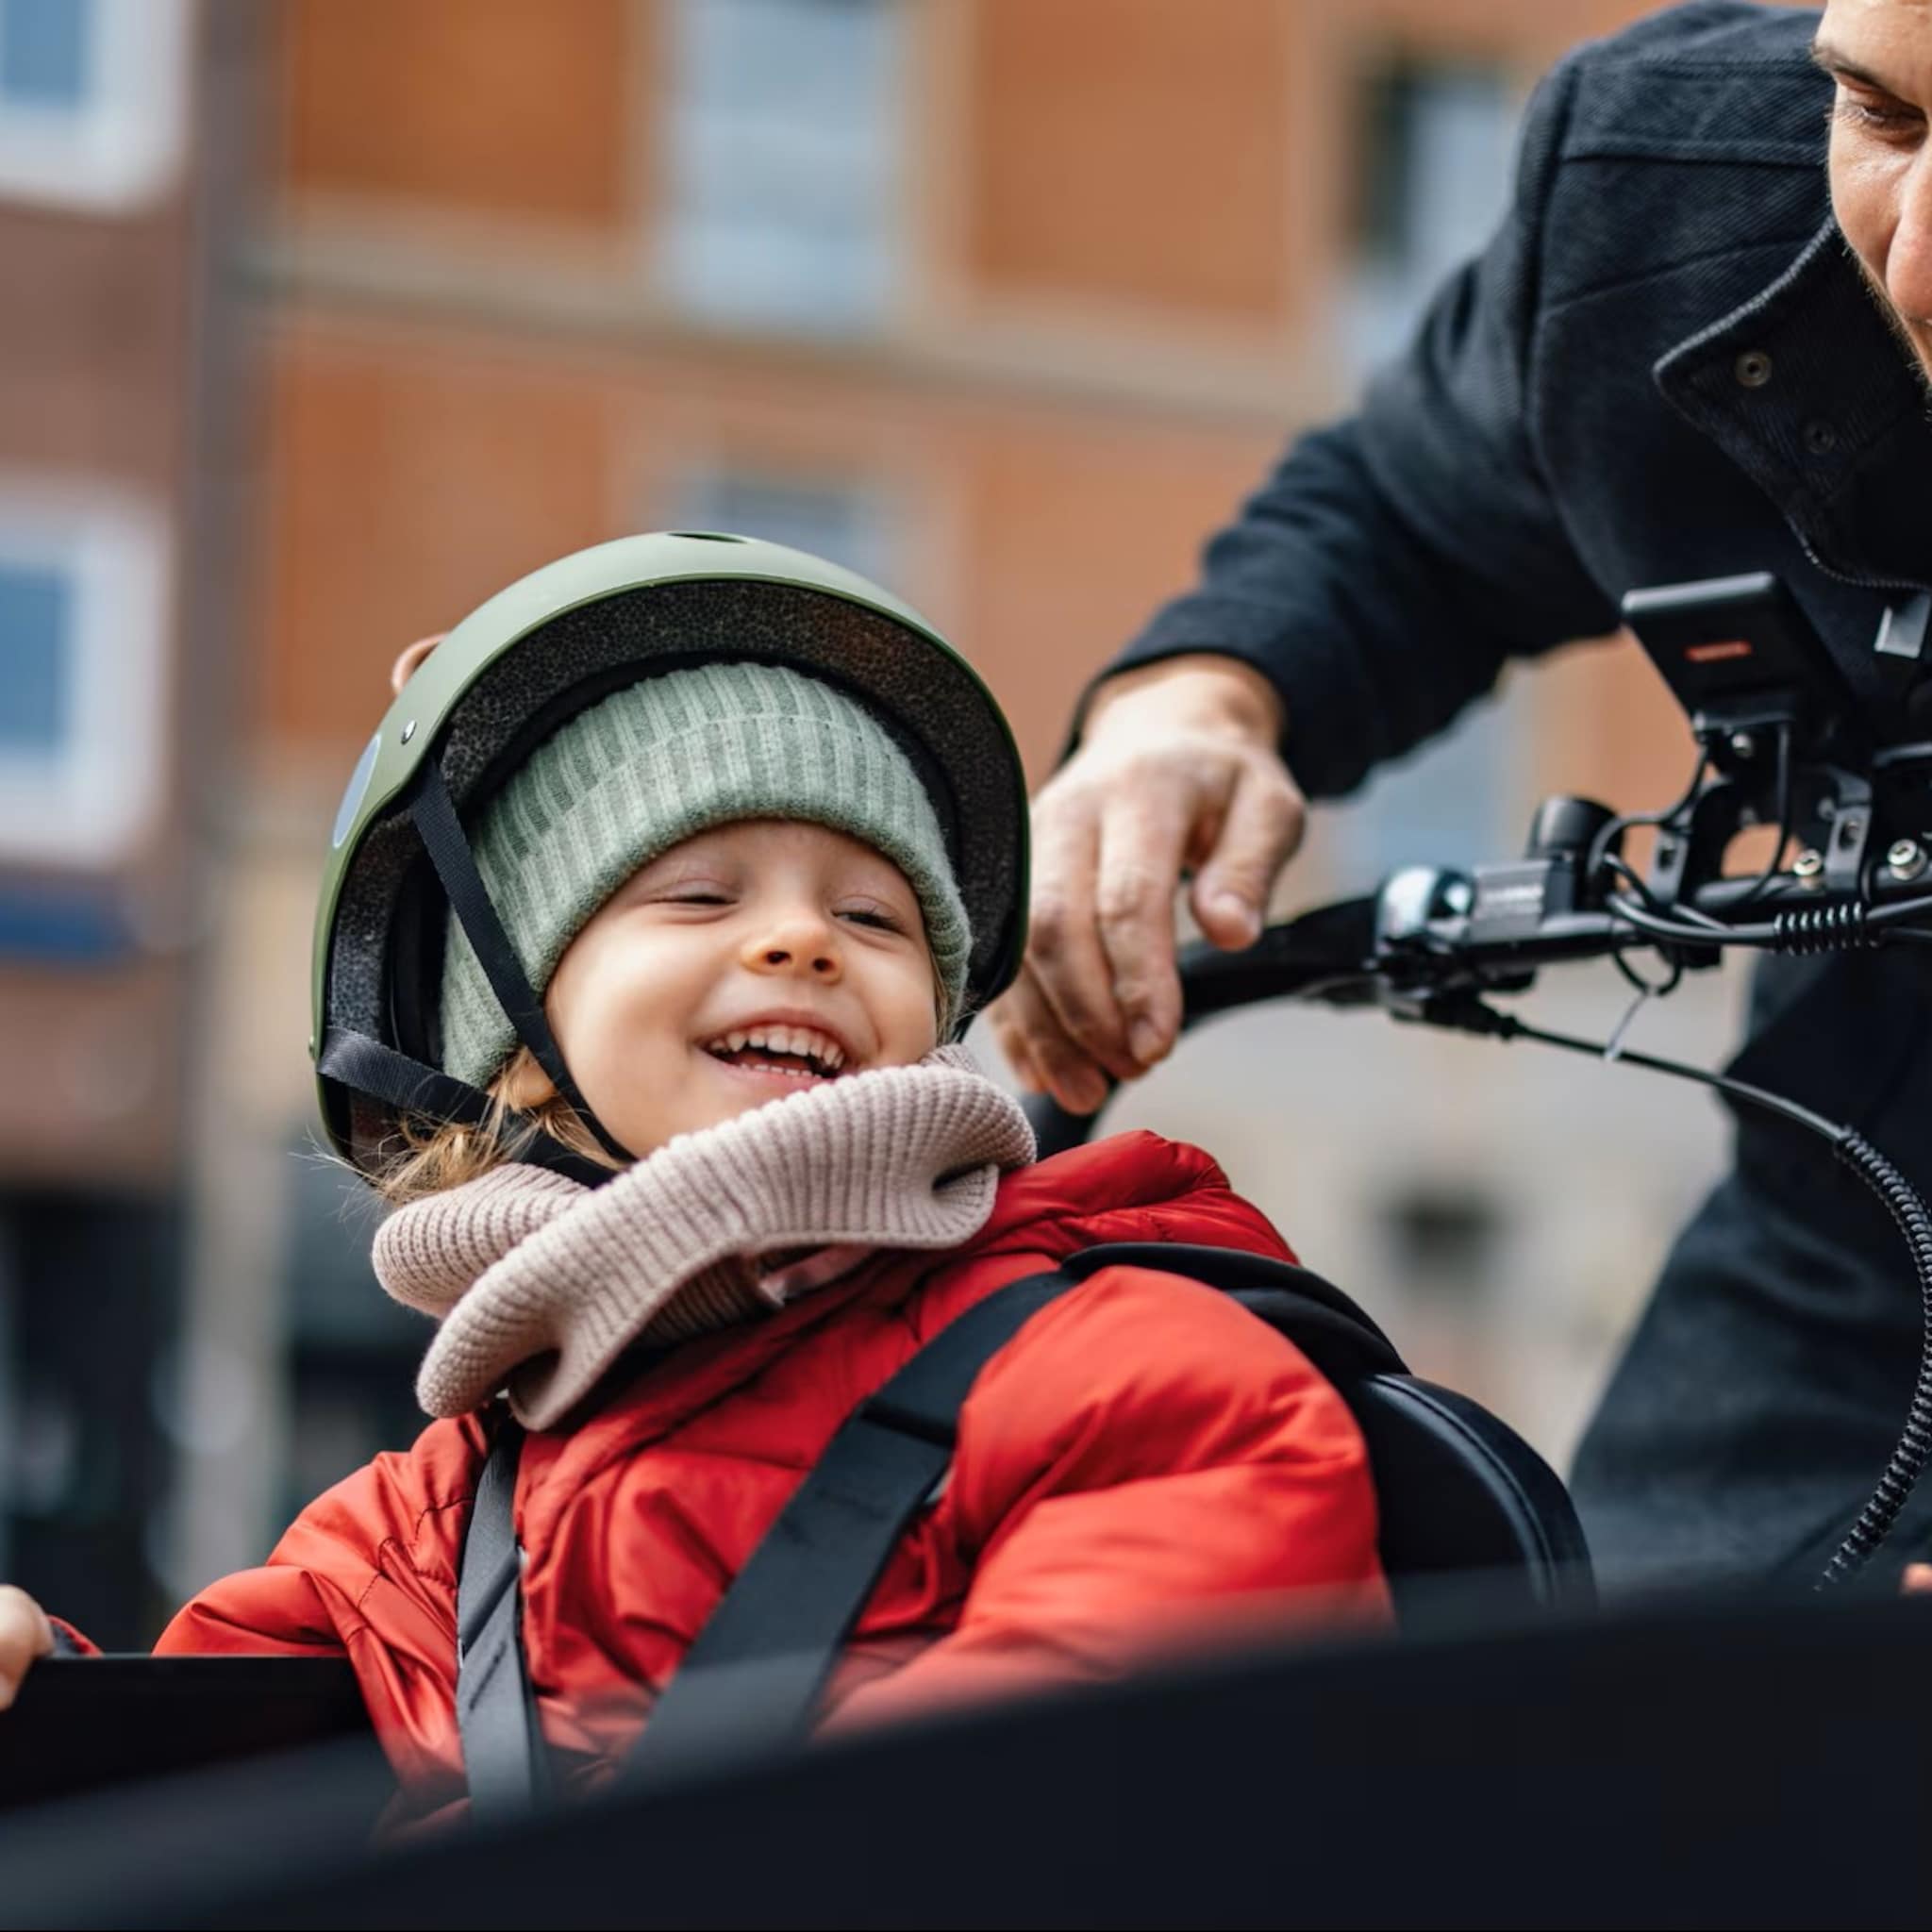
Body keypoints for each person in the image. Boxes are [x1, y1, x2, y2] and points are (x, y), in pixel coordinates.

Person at [0, 535, 1385, 1824]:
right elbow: (182, 1821)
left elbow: (1055, 1829)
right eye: (699, 895)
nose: (802, 942)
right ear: (513, 1034)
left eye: (873, 915)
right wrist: (41, 1694)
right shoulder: (419, 1529)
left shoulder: (1137, 1384)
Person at [990, 0, 1932, 1591]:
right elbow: (1411, 517)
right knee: (1622, 1761)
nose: (1911, 269)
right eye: (1883, 115)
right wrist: (1202, 704)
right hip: (1862, 1188)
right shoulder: (1665, 193)